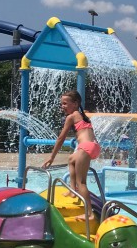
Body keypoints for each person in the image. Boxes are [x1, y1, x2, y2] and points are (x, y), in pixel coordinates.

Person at [42, 90, 101, 220]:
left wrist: (52, 157)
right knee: (71, 159)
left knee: (82, 182)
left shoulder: (71, 117)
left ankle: (89, 214)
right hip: (93, 146)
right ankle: (72, 191)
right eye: (61, 104)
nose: (62, 106)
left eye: (65, 103)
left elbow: (61, 138)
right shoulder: (82, 115)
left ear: (75, 104)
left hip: (85, 147)